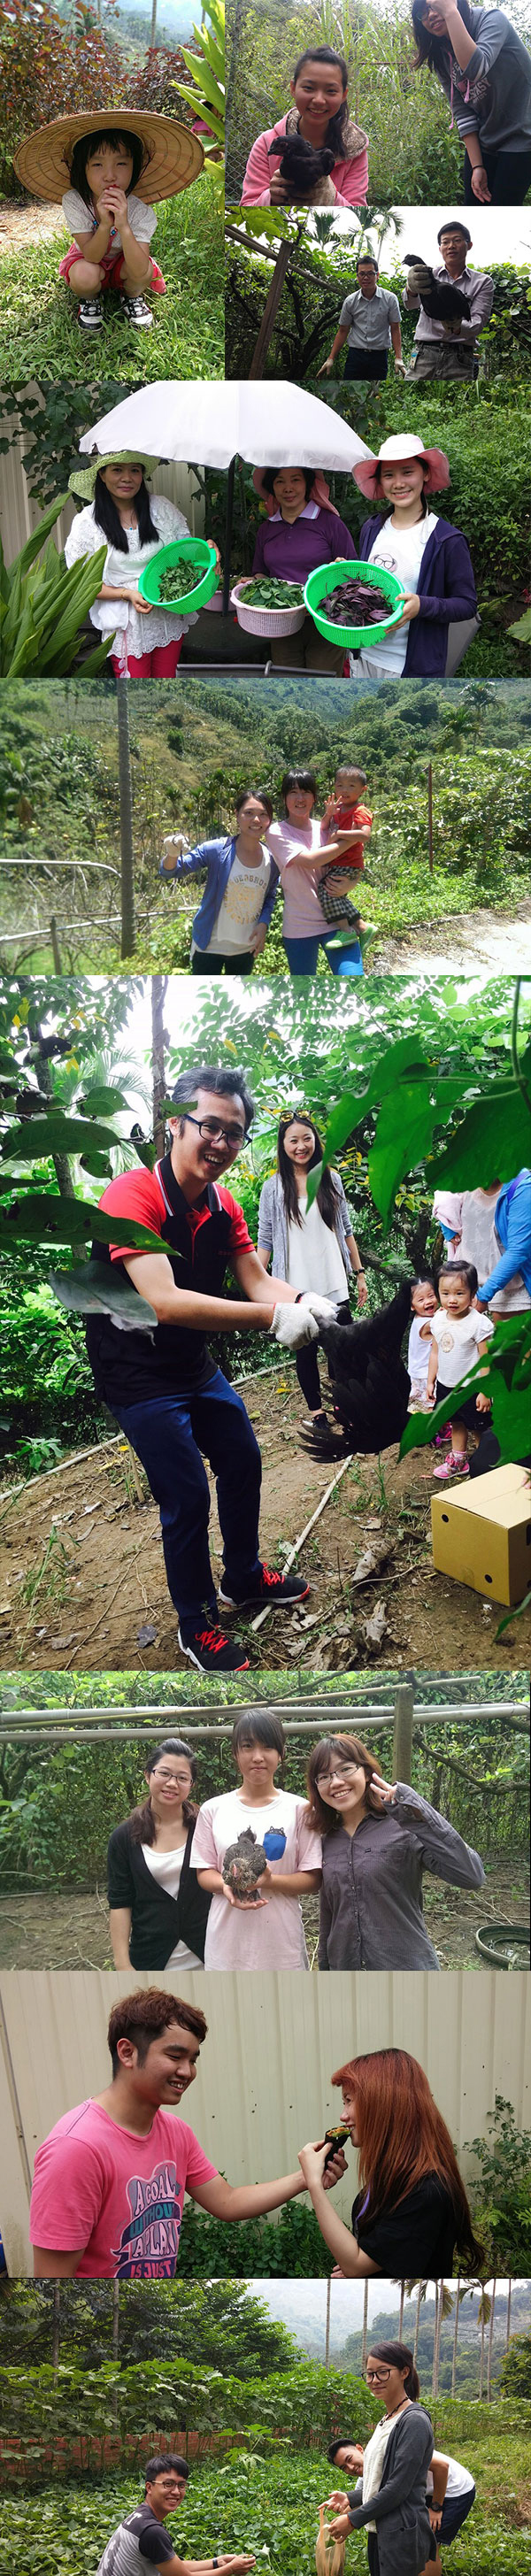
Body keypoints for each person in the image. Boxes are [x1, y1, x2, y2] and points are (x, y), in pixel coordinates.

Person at [84, 1062, 335, 1674]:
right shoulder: (133, 1195)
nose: (221, 1142)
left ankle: (243, 1576)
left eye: (235, 1133)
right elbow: (163, 1301)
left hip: (191, 1363)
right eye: (210, 1126)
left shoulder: (224, 1205)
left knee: (242, 1456)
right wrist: (273, 1319)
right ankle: (196, 1623)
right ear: (176, 1124)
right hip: (135, 1372)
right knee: (187, 1493)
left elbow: (257, 1279)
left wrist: (301, 1298)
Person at [28, 1986, 344, 2278]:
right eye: (175, 2056)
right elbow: (52, 2282)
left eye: (193, 2060)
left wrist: (306, 2177)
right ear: (127, 2053)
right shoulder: (76, 2148)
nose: (187, 2071)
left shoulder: (176, 2133)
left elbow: (227, 2202)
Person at [296, 2043, 485, 2276]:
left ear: (382, 2104)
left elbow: (356, 2264)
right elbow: (377, 2255)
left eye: (349, 2101)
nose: (343, 2116)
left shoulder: (426, 2192)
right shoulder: (391, 2179)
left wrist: (315, 2185)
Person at [305, 1730, 485, 1971]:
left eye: (345, 1769)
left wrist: (417, 1810)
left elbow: (471, 1876)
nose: (336, 1782)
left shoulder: (405, 1826)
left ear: (366, 1772)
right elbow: (329, 1915)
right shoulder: (325, 1840)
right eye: (324, 1776)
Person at [12, 110, 201, 334]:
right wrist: (104, 225)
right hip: (90, 260)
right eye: (97, 165)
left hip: (124, 264)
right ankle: (90, 300)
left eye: (121, 163)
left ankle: (132, 297)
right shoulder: (76, 201)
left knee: (145, 271)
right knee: (84, 275)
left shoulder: (140, 211)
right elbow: (92, 256)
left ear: (135, 166)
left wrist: (123, 225)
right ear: (82, 168)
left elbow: (140, 268)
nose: (110, 175)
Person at [257, 1111, 368, 1450]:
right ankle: (317, 1413)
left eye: (306, 1138)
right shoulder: (273, 1188)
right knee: (304, 1352)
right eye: (293, 1140)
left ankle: (343, 1407)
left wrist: (359, 1273)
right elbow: (265, 1240)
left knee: (340, 1348)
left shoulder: (331, 1179)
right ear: (283, 1145)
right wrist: (257, 1286)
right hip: (295, 1285)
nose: (300, 1146)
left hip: (333, 1277)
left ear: (316, 1142)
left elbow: (346, 1230)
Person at [189, 1711, 322, 1969]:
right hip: (226, 1946)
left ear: (281, 1753)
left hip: (281, 1947)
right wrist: (227, 1885)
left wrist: (270, 1881)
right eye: (248, 1746)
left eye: (268, 1746)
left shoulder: (301, 1810)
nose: (258, 1756)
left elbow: (313, 1878)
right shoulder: (213, 1809)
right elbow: (203, 1872)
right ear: (235, 1753)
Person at [65, 455, 213, 679]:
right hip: (126, 620)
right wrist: (126, 594)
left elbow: (186, 555)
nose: (127, 478)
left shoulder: (160, 508)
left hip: (166, 612)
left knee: (165, 682)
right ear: (102, 475)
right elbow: (83, 584)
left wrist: (208, 550)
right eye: (117, 470)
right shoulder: (87, 523)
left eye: (134, 470)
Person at [352, 435, 478, 680]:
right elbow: (367, 586)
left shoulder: (446, 540)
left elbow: (466, 604)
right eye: (389, 475)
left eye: (407, 472)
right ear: (380, 481)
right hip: (363, 657)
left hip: (410, 669)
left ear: (426, 474)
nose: (398, 483)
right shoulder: (372, 528)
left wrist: (422, 605)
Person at [325, 2346, 435, 2576]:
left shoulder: (413, 2421)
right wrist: (351, 2497)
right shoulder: (387, 2419)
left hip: (401, 2531)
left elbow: (398, 2488)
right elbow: (379, 2479)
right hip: (381, 2528)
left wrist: (352, 2520)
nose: (374, 2380)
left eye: (382, 2372)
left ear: (404, 2372)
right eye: (369, 2374)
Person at [411, 1, 531, 205]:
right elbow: (462, 111)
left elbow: (476, 69)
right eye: (423, 12)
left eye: (437, 5)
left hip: (522, 136)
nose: (431, 15)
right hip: (486, 138)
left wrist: (450, 12)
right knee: (472, 205)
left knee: (503, 209)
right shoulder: (441, 54)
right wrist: (477, 166)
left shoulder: (492, 20)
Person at [107, 1737, 211, 1972]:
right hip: (150, 1958)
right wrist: (122, 1963)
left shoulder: (205, 1827)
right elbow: (120, 1902)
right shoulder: (123, 1838)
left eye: (182, 1778)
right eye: (164, 1773)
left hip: (209, 1956)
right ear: (147, 1775)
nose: (172, 1783)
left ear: (191, 1785)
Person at [327, 2425, 475, 2576]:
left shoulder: (390, 2451)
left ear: (360, 2449)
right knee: (414, 2540)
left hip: (454, 2490)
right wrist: (334, 2522)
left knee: (427, 2545)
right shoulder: (366, 2476)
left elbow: (442, 2467)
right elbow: (365, 2501)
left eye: (350, 2459)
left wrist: (436, 2508)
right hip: (425, 2491)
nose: (351, 2467)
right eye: (344, 2467)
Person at [159, 790, 279, 973]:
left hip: (246, 949)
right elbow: (172, 870)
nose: (256, 820)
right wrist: (172, 853)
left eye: (263, 814)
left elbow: (270, 896)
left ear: (269, 819)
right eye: (249, 813)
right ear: (237, 814)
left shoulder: (272, 859)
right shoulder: (217, 850)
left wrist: (264, 923)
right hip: (209, 948)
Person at [251, 467, 358, 673]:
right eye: (280, 481)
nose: (288, 488)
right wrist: (252, 584)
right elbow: (261, 573)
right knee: (288, 682)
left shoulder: (330, 523)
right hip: (282, 625)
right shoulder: (266, 529)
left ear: (308, 484)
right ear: (272, 487)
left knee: (322, 683)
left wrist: (339, 569)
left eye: (295, 480)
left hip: (326, 622)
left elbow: (352, 572)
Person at [241, 47, 369, 210]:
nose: (319, 100)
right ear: (293, 88)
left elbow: (358, 214)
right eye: (309, 88)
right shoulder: (267, 142)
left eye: (331, 91)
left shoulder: (354, 149)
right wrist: (271, 198)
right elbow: (245, 210)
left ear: (343, 95)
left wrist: (329, 195)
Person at [264, 770, 366, 969]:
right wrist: (351, 838)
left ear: (314, 798)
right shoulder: (277, 831)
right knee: (304, 986)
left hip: (338, 922)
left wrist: (353, 881)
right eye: (293, 793)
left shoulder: (327, 828)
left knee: (353, 981)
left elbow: (352, 860)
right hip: (299, 926)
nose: (300, 798)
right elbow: (311, 861)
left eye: (306, 792)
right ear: (284, 798)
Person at [95, 2453, 256, 2576]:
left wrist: (217, 2562)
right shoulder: (152, 2531)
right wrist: (231, 2569)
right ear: (149, 2487)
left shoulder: (140, 2516)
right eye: (168, 2484)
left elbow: (173, 2565)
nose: (176, 2492)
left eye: (181, 2485)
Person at [427, 1260, 495, 1479]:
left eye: (459, 1293)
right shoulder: (438, 1320)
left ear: (473, 1293)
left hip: (471, 1389)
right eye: (445, 1293)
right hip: (446, 1385)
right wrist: (430, 1381)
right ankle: (458, 1461)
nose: (452, 1300)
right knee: (456, 1423)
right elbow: (435, 1352)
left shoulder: (478, 1324)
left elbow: (486, 1359)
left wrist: (485, 1391)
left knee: (479, 1428)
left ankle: (485, 1465)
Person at [404, 220, 493, 381]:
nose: (451, 246)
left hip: (460, 358)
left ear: (469, 245)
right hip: (424, 354)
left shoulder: (483, 282)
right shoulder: (426, 275)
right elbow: (410, 305)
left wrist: (456, 327)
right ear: (440, 248)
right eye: (445, 242)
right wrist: (411, 287)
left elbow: (477, 323)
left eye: (457, 240)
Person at [318, 254, 404, 383]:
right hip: (355, 356)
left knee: (375, 391)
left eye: (370, 273)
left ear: (377, 275)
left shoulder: (390, 299)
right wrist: (331, 358)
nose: (366, 277)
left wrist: (398, 358)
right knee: (349, 388)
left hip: (379, 357)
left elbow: (395, 328)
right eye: (362, 274)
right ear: (357, 276)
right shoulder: (350, 301)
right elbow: (343, 330)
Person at [319, 764, 373, 963]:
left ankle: (346, 931)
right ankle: (363, 927)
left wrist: (339, 834)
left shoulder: (360, 810)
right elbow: (323, 826)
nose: (344, 790)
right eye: (340, 785)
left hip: (349, 861)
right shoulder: (338, 808)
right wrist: (329, 813)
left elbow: (365, 835)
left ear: (362, 790)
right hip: (339, 861)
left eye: (351, 785)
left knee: (326, 890)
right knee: (337, 895)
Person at [407, 1275, 438, 1411]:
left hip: (418, 1374)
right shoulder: (426, 1324)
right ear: (412, 1306)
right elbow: (446, 1323)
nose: (428, 1301)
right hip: (424, 1377)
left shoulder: (419, 1318)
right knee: (429, 1408)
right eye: (421, 1300)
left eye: (431, 1296)